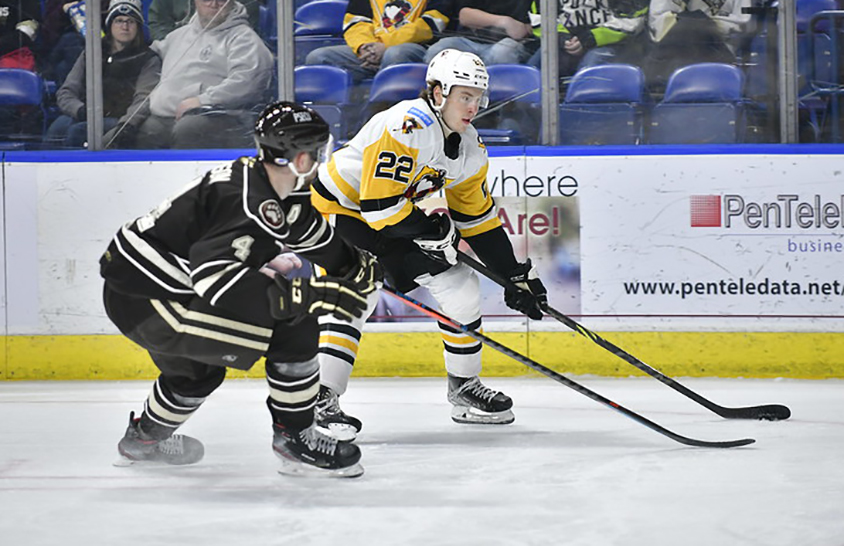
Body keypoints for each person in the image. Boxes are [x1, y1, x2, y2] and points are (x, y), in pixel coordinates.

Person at [101, 101, 382, 478]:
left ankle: (142, 441)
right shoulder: (247, 203)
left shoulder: (274, 188)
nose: (321, 160)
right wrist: (314, 294)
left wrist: (354, 264)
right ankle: (295, 439)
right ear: (300, 159)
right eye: (317, 152)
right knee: (294, 321)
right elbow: (217, 284)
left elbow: (308, 232)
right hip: (151, 299)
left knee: (197, 374)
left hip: (146, 289)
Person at [310, 49, 548, 440]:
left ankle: (464, 388)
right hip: (339, 212)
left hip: (387, 218)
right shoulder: (408, 124)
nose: (472, 106)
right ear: (437, 92)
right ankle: (320, 398)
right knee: (355, 291)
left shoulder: (469, 147)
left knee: (459, 285)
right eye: (464, 96)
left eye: (477, 97)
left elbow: (480, 221)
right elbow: (378, 206)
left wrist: (515, 276)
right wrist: (431, 230)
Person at [135, 0, 273, 149]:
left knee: (189, 129)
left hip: (223, 117)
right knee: (148, 130)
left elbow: (247, 82)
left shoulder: (244, 39)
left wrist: (203, 100)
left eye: (221, 0)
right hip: (167, 115)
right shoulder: (178, 36)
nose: (213, 4)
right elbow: (150, 58)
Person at [44, 0, 161, 149]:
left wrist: (126, 124)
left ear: (138, 26)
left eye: (130, 21)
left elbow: (143, 100)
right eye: (119, 21)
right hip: (85, 114)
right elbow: (66, 91)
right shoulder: (92, 51)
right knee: (58, 129)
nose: (125, 26)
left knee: (78, 132)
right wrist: (80, 111)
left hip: (120, 120)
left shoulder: (148, 58)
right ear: (110, 24)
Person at [305, 0, 452, 83]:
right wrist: (364, 46)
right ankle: (339, 121)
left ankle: (377, 111)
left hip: (416, 48)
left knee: (395, 54)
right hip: (372, 49)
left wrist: (386, 45)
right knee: (319, 57)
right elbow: (355, 22)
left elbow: (432, 24)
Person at [643, 0, 753, 93]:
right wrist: (698, 24)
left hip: (720, 50)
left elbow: (743, 23)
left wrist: (703, 24)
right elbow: (659, 23)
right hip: (676, 53)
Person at [527, 0, 648, 79]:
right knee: (532, 72)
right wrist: (561, 36)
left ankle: (587, 116)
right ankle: (521, 115)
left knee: (589, 71)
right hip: (565, 41)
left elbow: (632, 20)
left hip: (613, 43)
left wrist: (591, 38)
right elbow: (539, 15)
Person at [423, 0, 534, 66]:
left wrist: (526, 28)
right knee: (439, 49)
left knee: (501, 53)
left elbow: (536, 24)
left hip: (513, 43)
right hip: (470, 40)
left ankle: (494, 102)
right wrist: (503, 22)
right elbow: (464, 15)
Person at [146, 0, 260, 41]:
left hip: (221, 53)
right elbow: (158, 23)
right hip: (176, 53)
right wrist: (172, 48)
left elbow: (242, 30)